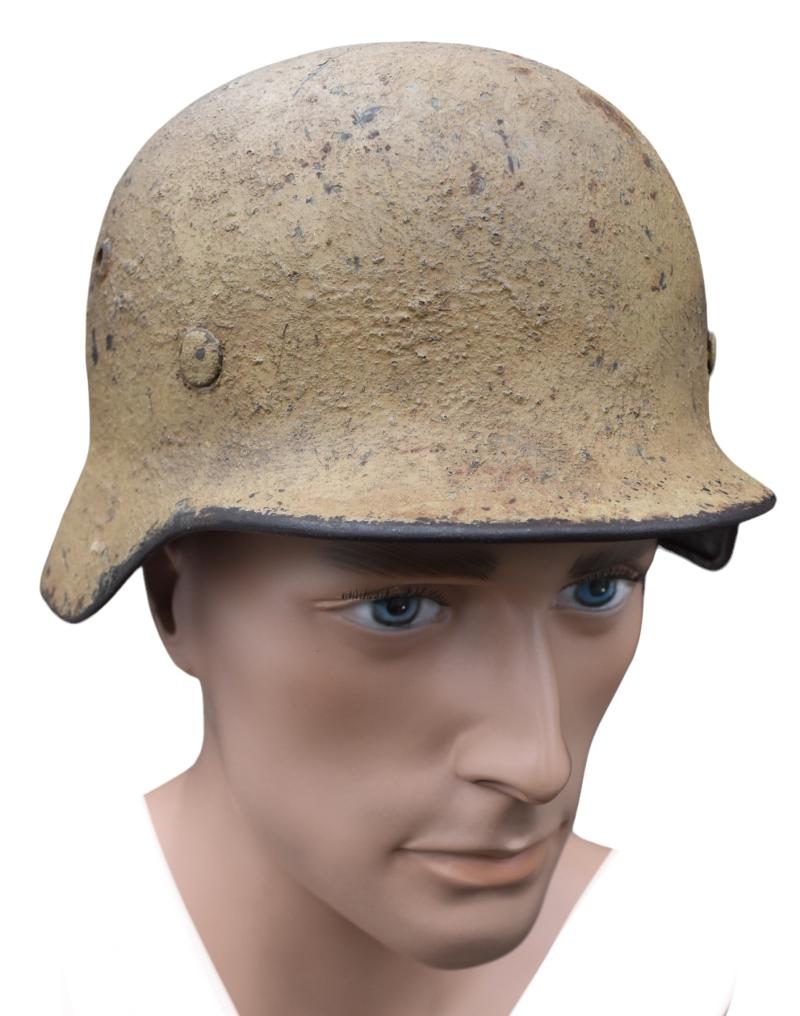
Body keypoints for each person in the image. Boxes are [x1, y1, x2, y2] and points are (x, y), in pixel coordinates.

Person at [39, 41, 775, 1015]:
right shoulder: (41, 962)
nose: (538, 761)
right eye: (399, 606)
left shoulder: (701, 972)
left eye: (597, 589)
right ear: (174, 597)